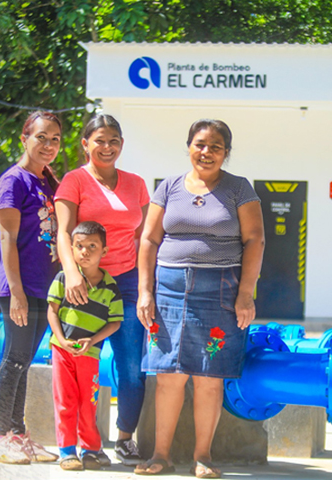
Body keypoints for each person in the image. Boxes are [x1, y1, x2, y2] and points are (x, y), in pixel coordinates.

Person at [135, 119, 264, 478]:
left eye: (216, 146)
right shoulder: (168, 187)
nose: (207, 152)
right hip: (169, 290)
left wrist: (245, 295)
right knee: (168, 375)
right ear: (189, 145)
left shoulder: (240, 189)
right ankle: (161, 455)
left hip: (219, 289)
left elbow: (255, 240)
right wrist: (145, 291)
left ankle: (203, 457)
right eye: (200, 144)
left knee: (210, 375)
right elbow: (148, 239)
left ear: (226, 152)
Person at [54, 114, 149, 466]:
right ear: (85, 144)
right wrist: (71, 273)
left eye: (114, 141)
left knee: (132, 367)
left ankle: (124, 438)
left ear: (121, 145)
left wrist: (145, 286)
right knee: (77, 366)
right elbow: (64, 232)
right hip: (85, 283)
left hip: (125, 282)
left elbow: (144, 238)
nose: (107, 147)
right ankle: (77, 444)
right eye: (99, 141)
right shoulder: (73, 181)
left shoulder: (137, 184)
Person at [0, 111, 61, 465]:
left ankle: (19, 433)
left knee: (25, 361)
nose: (48, 145)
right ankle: (2, 436)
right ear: (24, 138)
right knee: (14, 359)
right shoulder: (13, 181)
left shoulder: (47, 182)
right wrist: (16, 291)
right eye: (41, 137)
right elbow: (7, 238)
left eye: (55, 139)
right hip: (20, 287)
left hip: (43, 288)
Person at [47, 221, 122, 471]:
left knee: (88, 403)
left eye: (92, 246)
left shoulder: (111, 289)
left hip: (89, 354)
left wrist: (93, 340)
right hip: (61, 351)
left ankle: (90, 449)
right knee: (65, 401)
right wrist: (60, 338)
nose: (85, 252)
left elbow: (115, 323)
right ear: (71, 248)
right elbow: (52, 311)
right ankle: (67, 451)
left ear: (105, 251)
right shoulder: (63, 279)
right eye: (79, 246)